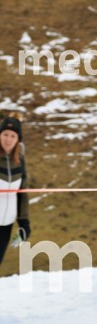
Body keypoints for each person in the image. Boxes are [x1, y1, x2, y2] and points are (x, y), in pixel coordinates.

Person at [0, 114, 30, 266]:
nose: (8, 139)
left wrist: (24, 223)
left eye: (12, 135)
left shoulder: (20, 161)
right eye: (5, 134)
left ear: (18, 139)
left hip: (6, 225)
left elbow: (22, 194)